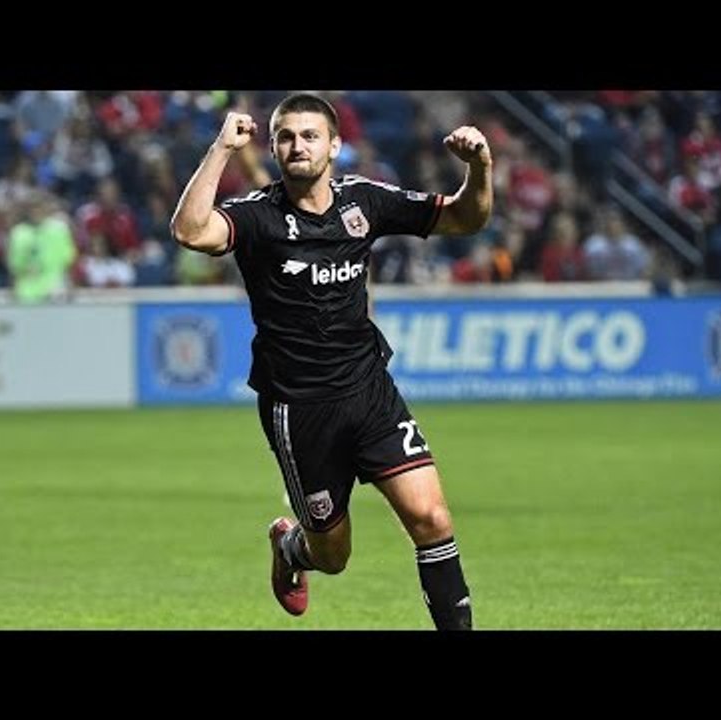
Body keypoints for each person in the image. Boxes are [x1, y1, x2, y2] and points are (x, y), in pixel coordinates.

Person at [170, 93, 492, 630]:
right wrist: (222, 148)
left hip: (370, 392)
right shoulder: (256, 216)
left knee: (432, 518)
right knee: (333, 556)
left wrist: (480, 166)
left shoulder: (363, 201)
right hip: (300, 410)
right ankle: (290, 548)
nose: (299, 145)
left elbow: (465, 219)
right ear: (273, 147)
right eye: (287, 137)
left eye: (310, 135)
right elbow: (189, 231)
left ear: (335, 146)